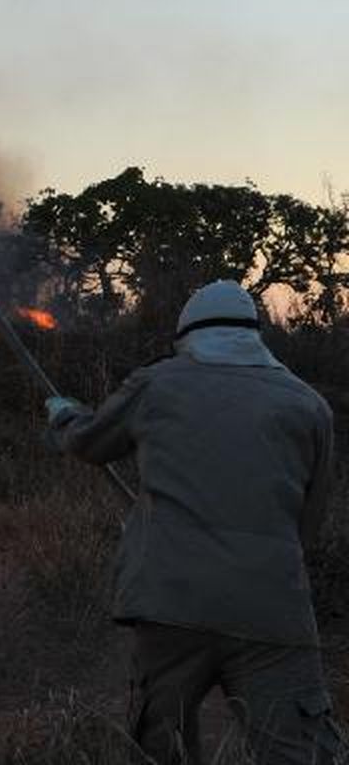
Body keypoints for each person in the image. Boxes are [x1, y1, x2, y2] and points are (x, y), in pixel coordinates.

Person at [46, 280, 344, 765]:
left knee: (161, 746)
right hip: (271, 608)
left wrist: (64, 418)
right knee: (300, 750)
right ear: (255, 335)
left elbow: (89, 443)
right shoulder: (308, 405)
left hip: (170, 602)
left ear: (188, 335)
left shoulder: (157, 383)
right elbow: (308, 523)